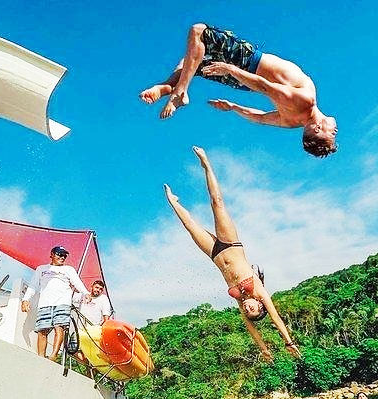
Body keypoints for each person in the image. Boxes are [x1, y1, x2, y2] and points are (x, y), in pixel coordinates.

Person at [164, 146, 301, 362]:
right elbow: (276, 319)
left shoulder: (241, 302)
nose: (248, 309)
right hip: (230, 245)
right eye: (253, 309)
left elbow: (252, 330)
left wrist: (264, 349)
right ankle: (206, 164)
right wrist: (288, 342)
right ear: (260, 305)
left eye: (248, 312)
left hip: (215, 254)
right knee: (217, 203)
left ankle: (173, 201)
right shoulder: (260, 291)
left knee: (190, 227)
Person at [139, 23, 338, 157]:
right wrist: (233, 107)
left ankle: (179, 92)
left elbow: (265, 86)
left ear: (317, 128)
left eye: (332, 133)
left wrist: (231, 69)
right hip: (245, 82)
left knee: (199, 31)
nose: (335, 130)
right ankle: (167, 86)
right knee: (191, 64)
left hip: (248, 64)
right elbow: (260, 117)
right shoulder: (291, 122)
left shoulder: (305, 102)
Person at [21, 246, 91, 361]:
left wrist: (85, 292)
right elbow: (33, 285)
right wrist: (25, 299)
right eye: (59, 254)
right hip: (44, 304)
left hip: (62, 303)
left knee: (59, 328)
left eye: (64, 255)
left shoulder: (69, 269)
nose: (62, 257)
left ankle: (53, 355)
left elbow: (77, 282)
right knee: (42, 331)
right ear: (52, 254)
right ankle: (41, 358)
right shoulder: (41, 269)